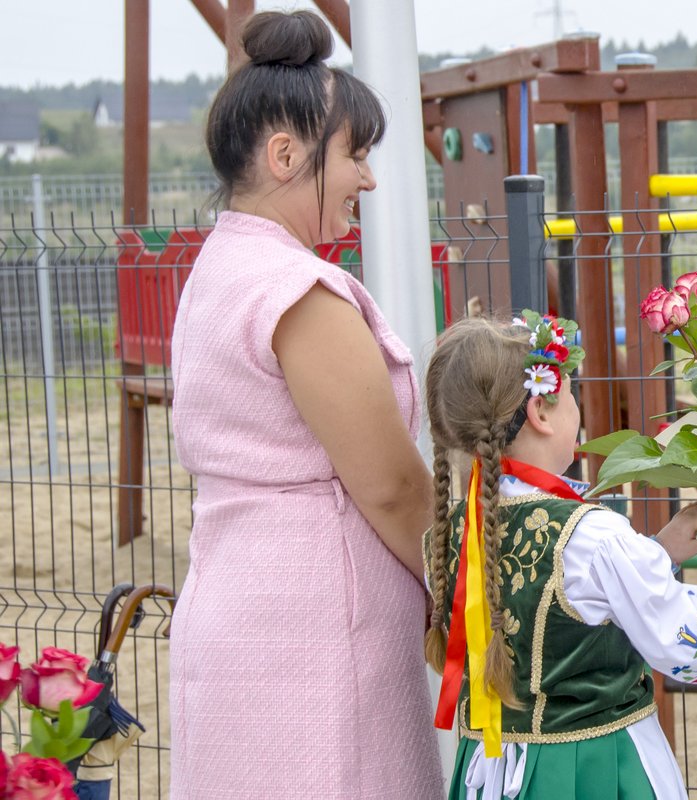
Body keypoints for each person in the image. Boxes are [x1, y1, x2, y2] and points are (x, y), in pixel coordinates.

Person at [168, 11, 441, 798]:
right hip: (318, 635)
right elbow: (389, 484)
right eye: (355, 154)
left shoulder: (219, 270)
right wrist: (461, 591)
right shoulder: (300, 295)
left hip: (236, 605)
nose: (369, 177)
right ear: (286, 156)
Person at [421, 314, 697, 800]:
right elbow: (688, 642)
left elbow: (558, 602)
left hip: (493, 773)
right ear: (540, 410)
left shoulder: (445, 537)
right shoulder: (592, 536)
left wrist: (656, 554)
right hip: (594, 770)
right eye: (572, 394)